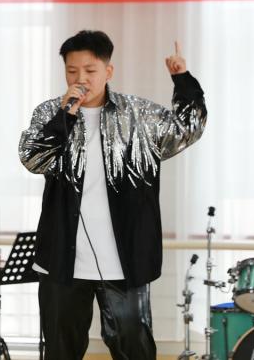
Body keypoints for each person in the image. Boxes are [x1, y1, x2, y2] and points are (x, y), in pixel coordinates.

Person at [19, 30, 207, 360]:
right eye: (72, 71)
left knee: (134, 350)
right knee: (60, 351)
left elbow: (188, 129)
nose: (80, 79)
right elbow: (33, 159)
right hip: (62, 261)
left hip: (125, 262)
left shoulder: (139, 115)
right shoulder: (49, 113)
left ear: (108, 71)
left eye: (90, 70)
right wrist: (64, 117)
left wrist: (183, 80)